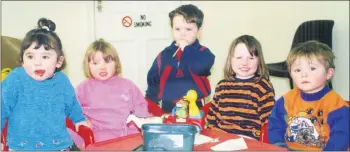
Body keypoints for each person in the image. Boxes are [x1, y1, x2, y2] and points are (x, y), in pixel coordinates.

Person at [1, 18, 90, 151]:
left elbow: (71, 104)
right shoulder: (15, 79)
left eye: (45, 57)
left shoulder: (61, 81)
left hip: (57, 145)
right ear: (22, 60)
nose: (37, 63)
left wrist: (79, 119)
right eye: (30, 57)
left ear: (58, 62)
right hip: (22, 146)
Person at [268, 40, 349, 151]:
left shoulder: (336, 105)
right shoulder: (286, 100)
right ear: (290, 74)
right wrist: (279, 146)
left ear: (329, 73)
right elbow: (275, 126)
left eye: (312, 68)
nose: (304, 74)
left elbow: (341, 137)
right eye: (297, 70)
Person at [70, 39, 152, 147]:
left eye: (107, 61)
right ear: (88, 65)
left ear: (116, 63)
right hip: (100, 136)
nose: (102, 67)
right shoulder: (83, 89)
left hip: (129, 133)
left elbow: (141, 107)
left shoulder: (127, 85)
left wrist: (142, 123)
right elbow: (70, 109)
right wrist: (80, 123)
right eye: (95, 63)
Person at [145, 4, 215, 115]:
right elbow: (153, 81)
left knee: (194, 131)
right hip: (168, 107)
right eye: (177, 29)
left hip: (195, 107)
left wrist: (186, 49)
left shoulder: (203, 52)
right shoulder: (164, 55)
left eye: (188, 29)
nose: (182, 33)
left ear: (198, 31)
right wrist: (150, 104)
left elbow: (201, 67)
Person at [206, 35, 275, 140]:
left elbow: (270, 122)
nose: (244, 63)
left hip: (248, 140)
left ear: (259, 60)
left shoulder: (262, 87)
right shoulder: (222, 86)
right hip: (221, 138)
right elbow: (211, 119)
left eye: (251, 58)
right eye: (239, 58)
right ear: (231, 60)